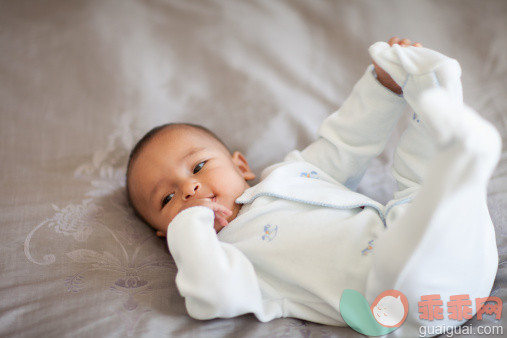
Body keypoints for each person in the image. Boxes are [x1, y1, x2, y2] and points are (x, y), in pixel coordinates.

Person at [126, 38, 501, 336]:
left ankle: (432, 87)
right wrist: (191, 230)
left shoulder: (289, 173)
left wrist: (383, 88)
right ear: (164, 233)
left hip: (466, 257)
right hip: (400, 303)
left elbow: (346, 145)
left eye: (198, 166)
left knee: (418, 189)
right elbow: (211, 296)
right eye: (168, 198)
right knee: (410, 234)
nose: (189, 188)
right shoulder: (229, 258)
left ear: (241, 166)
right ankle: (461, 165)